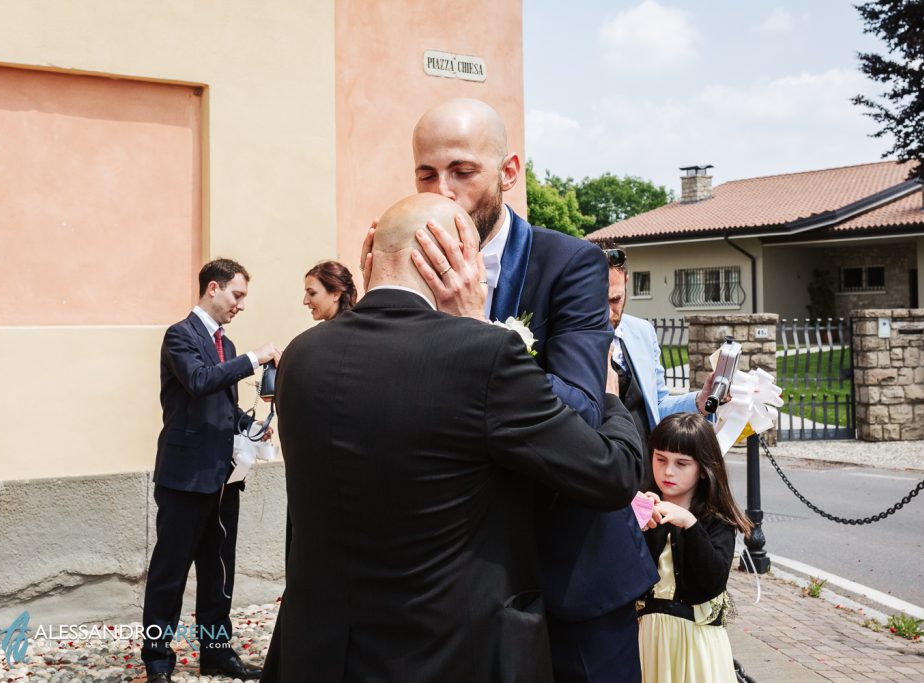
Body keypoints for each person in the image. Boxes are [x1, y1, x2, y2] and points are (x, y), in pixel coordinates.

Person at [260, 193, 644, 683]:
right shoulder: (481, 355)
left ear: (368, 257)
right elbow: (612, 473)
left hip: (322, 650)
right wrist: (610, 398)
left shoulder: (301, 355)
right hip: (443, 651)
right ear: (460, 262)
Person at [374, 97, 656, 683]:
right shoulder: (408, 264)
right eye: (426, 173)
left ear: (508, 172)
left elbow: (579, 413)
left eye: (462, 171)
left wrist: (472, 329)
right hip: (459, 581)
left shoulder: (571, 264)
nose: (442, 190)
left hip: (570, 571)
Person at [142, 258, 280, 683]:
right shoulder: (179, 336)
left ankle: (216, 652)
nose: (240, 304)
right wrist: (255, 359)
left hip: (223, 480)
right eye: (237, 295)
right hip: (184, 478)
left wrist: (253, 428)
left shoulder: (230, 347)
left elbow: (224, 408)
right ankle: (158, 659)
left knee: (219, 573)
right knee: (170, 573)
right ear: (213, 288)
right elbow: (200, 381)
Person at [638, 413, 753, 683]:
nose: (668, 471)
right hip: (646, 639)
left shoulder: (716, 520)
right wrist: (636, 524)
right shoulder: (644, 509)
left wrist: (690, 524)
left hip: (695, 644)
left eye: (682, 463)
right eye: (660, 459)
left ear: (702, 468)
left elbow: (713, 581)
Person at [603, 245, 719, 486]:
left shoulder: (643, 332)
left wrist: (700, 401)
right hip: (602, 473)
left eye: (615, 299)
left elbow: (657, 406)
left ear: (626, 281)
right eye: (598, 301)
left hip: (648, 474)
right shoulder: (568, 339)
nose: (608, 312)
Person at [287, 260, 358, 561]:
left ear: (336, 292)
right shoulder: (316, 342)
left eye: (311, 293)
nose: (305, 301)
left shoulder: (350, 340)